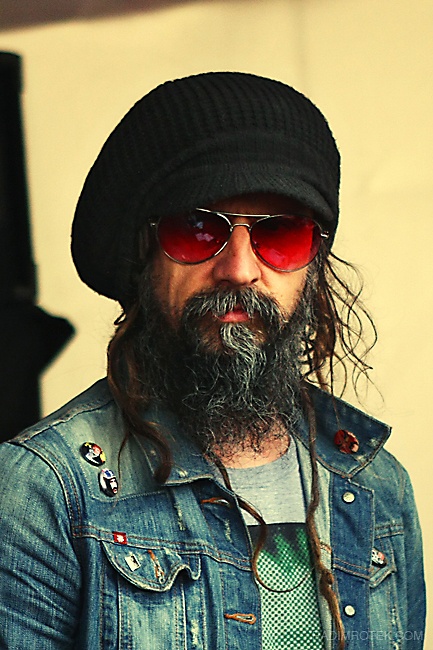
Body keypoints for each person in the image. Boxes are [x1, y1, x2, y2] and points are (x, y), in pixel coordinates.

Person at [0, 72, 425, 650]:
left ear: (314, 262)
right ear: (144, 254)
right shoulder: (45, 489)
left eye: (280, 234)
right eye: (198, 230)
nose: (240, 270)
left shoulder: (376, 486)